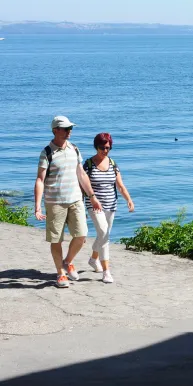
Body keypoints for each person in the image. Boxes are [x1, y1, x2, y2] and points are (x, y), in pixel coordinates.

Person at [34, 116, 102, 288]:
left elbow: (81, 174)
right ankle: (60, 274)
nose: (69, 131)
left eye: (70, 128)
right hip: (54, 202)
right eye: (65, 128)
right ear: (56, 130)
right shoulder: (47, 152)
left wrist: (92, 196)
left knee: (81, 235)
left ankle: (68, 261)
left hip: (76, 200)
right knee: (56, 239)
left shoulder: (75, 149)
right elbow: (40, 180)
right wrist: (37, 206)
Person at [84, 133, 135, 284]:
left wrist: (129, 200)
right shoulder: (88, 164)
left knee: (103, 234)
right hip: (94, 205)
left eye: (108, 148)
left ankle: (93, 259)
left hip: (111, 204)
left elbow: (120, 185)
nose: (105, 151)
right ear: (96, 146)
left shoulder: (113, 163)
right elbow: (82, 185)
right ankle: (107, 272)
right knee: (104, 234)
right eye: (102, 148)